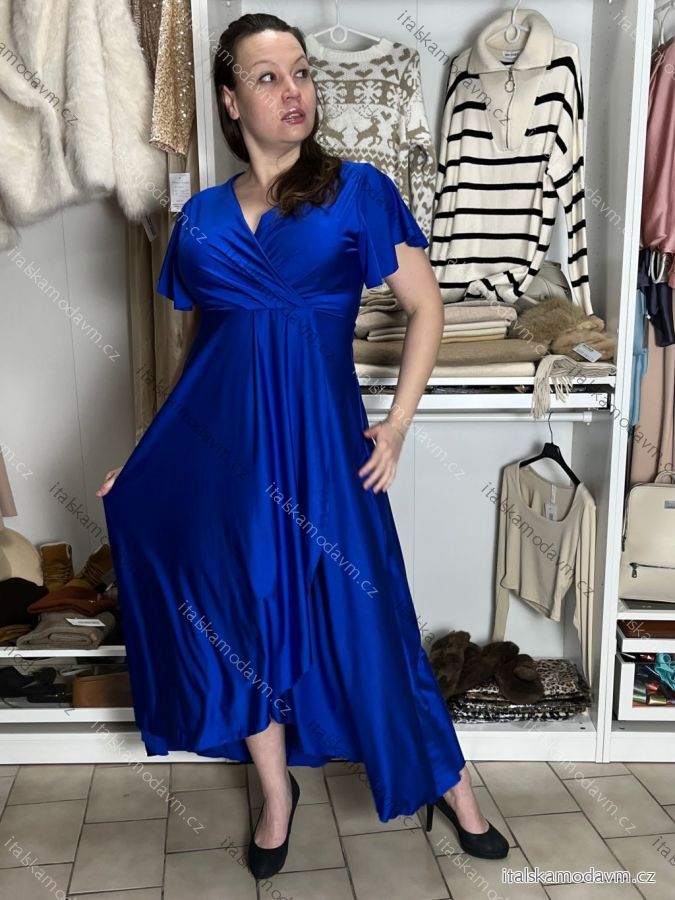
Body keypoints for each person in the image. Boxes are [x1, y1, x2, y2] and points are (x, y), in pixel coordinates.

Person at [97, 12, 509, 880]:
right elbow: (197, 359)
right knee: (237, 617)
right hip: (223, 462)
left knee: (369, 615)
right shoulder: (200, 218)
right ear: (229, 100)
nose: (294, 91)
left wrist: (396, 424)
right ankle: (275, 793)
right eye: (268, 77)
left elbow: (425, 307)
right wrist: (147, 462)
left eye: (301, 73)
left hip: (325, 450)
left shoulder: (354, 190)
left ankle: (450, 782)